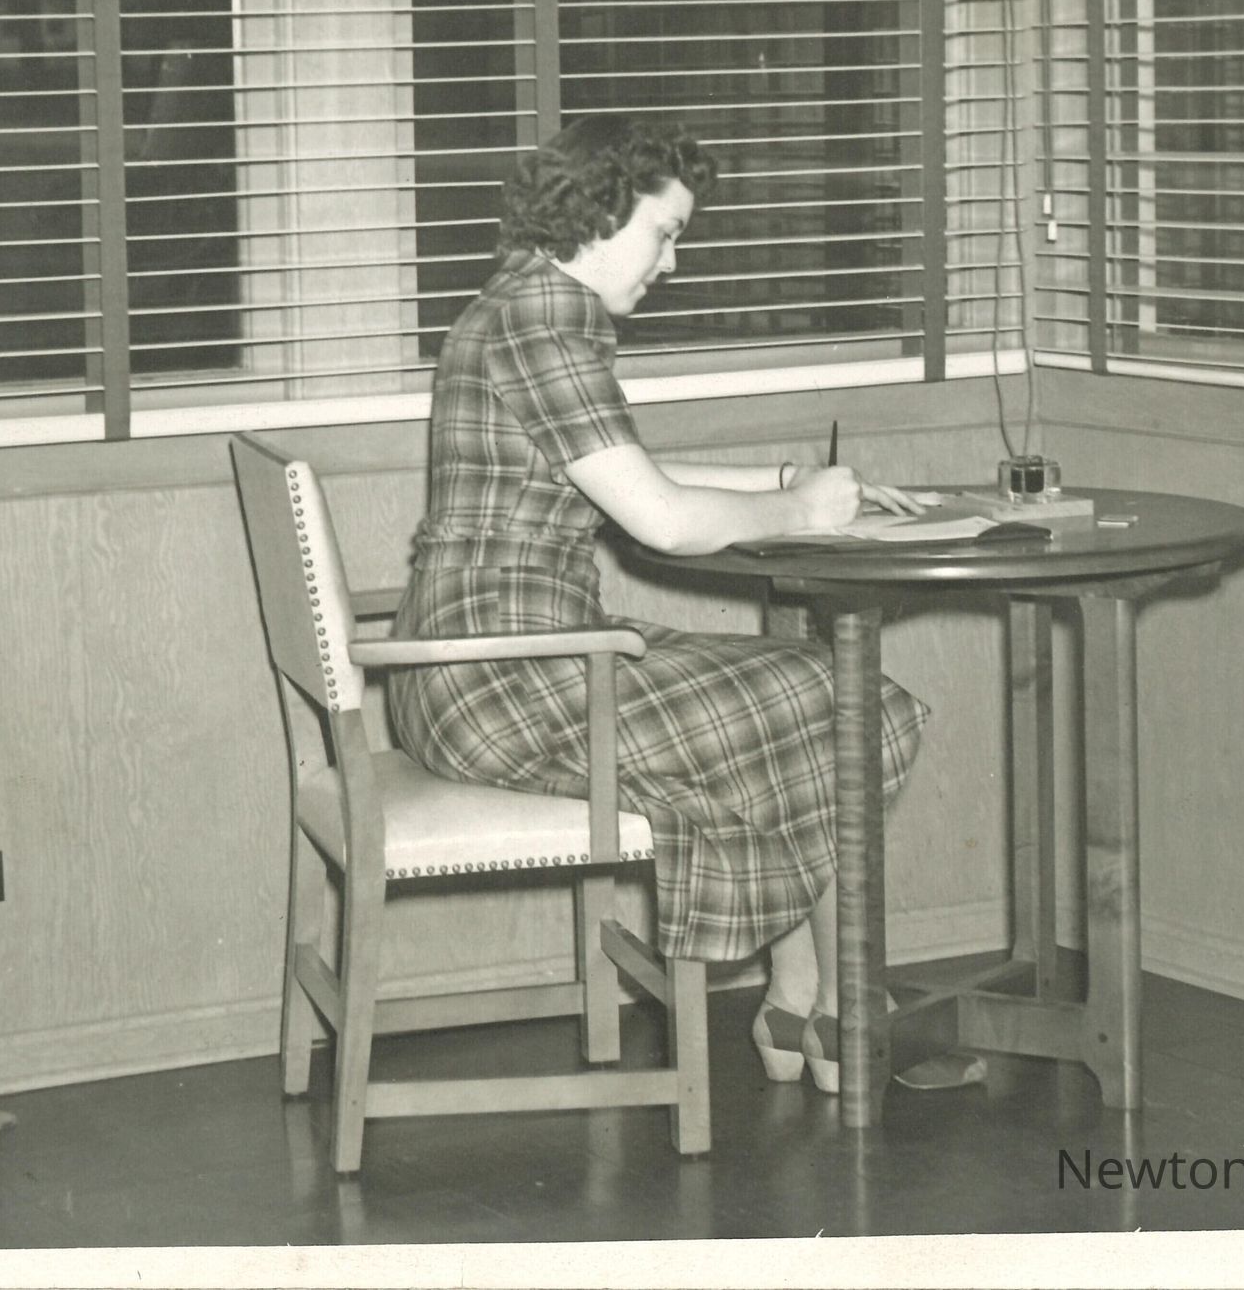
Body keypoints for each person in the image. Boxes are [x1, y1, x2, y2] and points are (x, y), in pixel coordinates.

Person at [388, 114, 930, 1094]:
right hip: (509, 682)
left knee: (803, 700)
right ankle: (838, 1007)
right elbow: (663, 522)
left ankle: (798, 1001)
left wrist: (782, 480)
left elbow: (616, 472)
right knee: (848, 698)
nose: (672, 263)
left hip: (479, 666)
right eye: (664, 233)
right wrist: (798, 511)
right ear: (597, 214)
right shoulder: (544, 323)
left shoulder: (518, 303)